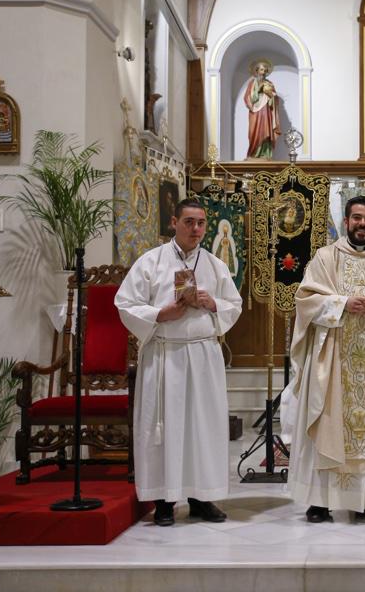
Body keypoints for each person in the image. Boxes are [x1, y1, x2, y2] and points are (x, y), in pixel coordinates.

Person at [282, 195, 365, 523]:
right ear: (346, 221)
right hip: (333, 357)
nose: (362, 224)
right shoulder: (326, 258)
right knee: (327, 422)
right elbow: (307, 300)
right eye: (357, 218)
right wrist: (341, 303)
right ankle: (320, 501)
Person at [115, 198, 243, 527]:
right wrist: (160, 313)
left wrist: (213, 303)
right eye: (189, 222)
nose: (196, 229)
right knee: (164, 428)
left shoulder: (214, 265)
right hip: (164, 355)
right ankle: (165, 502)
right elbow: (125, 303)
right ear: (174, 222)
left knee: (203, 427)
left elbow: (234, 304)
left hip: (202, 355)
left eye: (201, 223)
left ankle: (202, 498)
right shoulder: (151, 262)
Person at [244, 60, 280, 159]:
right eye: (261, 70)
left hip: (266, 110)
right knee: (254, 132)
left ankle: (266, 154)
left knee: (266, 129)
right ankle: (253, 153)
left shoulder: (269, 83)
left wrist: (271, 95)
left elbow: (275, 98)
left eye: (265, 70)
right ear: (257, 71)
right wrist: (259, 89)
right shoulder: (252, 83)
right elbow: (247, 98)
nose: (263, 72)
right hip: (255, 111)